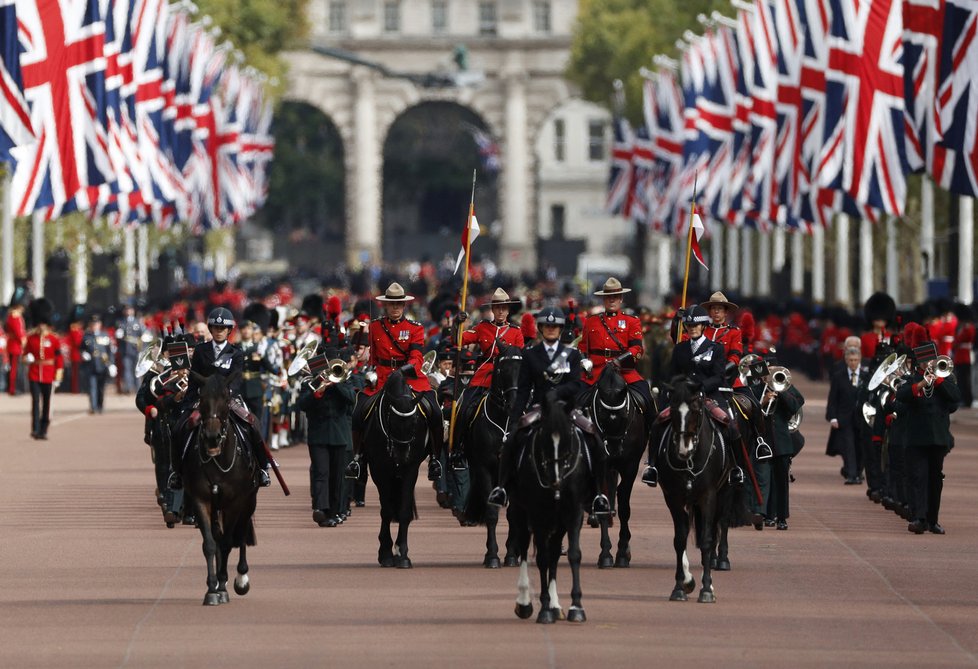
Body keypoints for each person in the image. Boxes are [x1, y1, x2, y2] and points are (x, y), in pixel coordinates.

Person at [486, 306, 610, 516]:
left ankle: (599, 495)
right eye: (547, 326)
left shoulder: (571, 354)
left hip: (566, 408)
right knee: (511, 441)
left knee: (594, 437)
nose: (551, 329)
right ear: (541, 328)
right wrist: (515, 418)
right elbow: (524, 389)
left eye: (555, 326)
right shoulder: (530, 355)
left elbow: (577, 385)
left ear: (560, 329)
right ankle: (502, 488)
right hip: (539, 408)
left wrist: (558, 393)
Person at [345, 283, 443, 482]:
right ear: (385, 306)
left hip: (409, 378)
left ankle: (435, 458)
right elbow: (366, 354)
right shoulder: (374, 326)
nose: (396, 307)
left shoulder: (415, 328)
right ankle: (357, 458)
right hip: (381, 377)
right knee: (358, 411)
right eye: (392, 304)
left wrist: (402, 371)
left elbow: (417, 357)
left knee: (435, 411)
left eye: (399, 304)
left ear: (404, 306)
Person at [170, 307, 272, 489]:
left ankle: (262, 468)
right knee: (179, 428)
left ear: (229, 331)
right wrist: (188, 404)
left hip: (229, 398)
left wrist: (226, 394)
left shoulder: (236, 352)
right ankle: (176, 473)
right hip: (204, 399)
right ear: (210, 329)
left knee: (253, 424)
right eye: (216, 328)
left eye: (222, 328)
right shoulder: (201, 351)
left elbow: (237, 378)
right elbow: (194, 378)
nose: (219, 331)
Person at [643, 305, 737, 487]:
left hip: (709, 396)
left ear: (703, 327)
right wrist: (676, 389)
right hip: (683, 397)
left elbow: (718, 376)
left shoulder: (715, 348)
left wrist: (702, 386)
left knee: (730, 425)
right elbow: (672, 374)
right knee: (657, 424)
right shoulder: (680, 349)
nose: (692, 328)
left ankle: (735, 468)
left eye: (696, 325)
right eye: (689, 325)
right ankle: (653, 466)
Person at [449, 287, 525, 469]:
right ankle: (457, 450)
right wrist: (456, 324)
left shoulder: (516, 332)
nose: (500, 311)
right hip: (484, 375)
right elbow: (458, 340)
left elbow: (520, 357)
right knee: (464, 408)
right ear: (492, 309)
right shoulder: (483, 327)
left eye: (504, 308)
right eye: (497, 307)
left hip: (507, 378)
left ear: (508, 310)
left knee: (524, 411)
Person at [896, 341, 961, 534]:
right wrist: (922, 384)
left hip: (938, 437)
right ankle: (919, 518)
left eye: (932, 360)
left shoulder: (945, 377)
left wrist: (939, 381)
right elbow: (901, 396)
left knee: (935, 479)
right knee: (918, 477)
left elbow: (955, 397)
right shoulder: (911, 379)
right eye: (926, 362)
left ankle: (933, 520)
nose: (930, 364)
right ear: (919, 364)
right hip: (916, 437)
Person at [298, 352, 356, 527]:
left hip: (339, 434)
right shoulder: (311, 382)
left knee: (337, 475)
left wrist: (335, 384)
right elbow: (301, 404)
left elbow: (351, 399)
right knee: (321, 472)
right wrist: (318, 391)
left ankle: (335, 511)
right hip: (318, 434)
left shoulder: (344, 380)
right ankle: (321, 509)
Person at [24, 298, 63, 439]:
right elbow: (24, 354)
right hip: (34, 373)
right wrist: (27, 358)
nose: (41, 327)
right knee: (35, 401)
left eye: (43, 324)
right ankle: (35, 428)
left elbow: (58, 358)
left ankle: (43, 429)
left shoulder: (54, 339)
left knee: (47, 402)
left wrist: (58, 376)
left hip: (48, 373)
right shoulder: (31, 338)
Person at [826, 346, 864, 485]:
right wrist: (832, 417)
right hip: (844, 418)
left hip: (861, 418)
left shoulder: (866, 376)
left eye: (856, 360)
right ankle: (851, 475)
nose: (853, 362)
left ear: (859, 360)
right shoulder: (838, 376)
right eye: (851, 360)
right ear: (846, 360)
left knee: (860, 447)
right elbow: (833, 398)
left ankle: (858, 472)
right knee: (848, 447)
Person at [81, 315, 115, 414]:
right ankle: (93, 407)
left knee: (101, 388)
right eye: (92, 324)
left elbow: (110, 351)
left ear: (99, 325)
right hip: (91, 365)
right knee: (92, 387)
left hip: (102, 365)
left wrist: (112, 364)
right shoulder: (86, 336)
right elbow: (81, 348)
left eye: (96, 324)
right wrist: (83, 354)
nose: (94, 326)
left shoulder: (105, 335)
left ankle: (100, 406)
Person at [5, 299, 27, 396]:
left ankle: (13, 387)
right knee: (14, 369)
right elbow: (19, 332)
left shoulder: (11, 316)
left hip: (13, 344)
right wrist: (24, 342)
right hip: (15, 346)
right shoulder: (15, 317)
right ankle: (13, 388)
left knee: (15, 368)